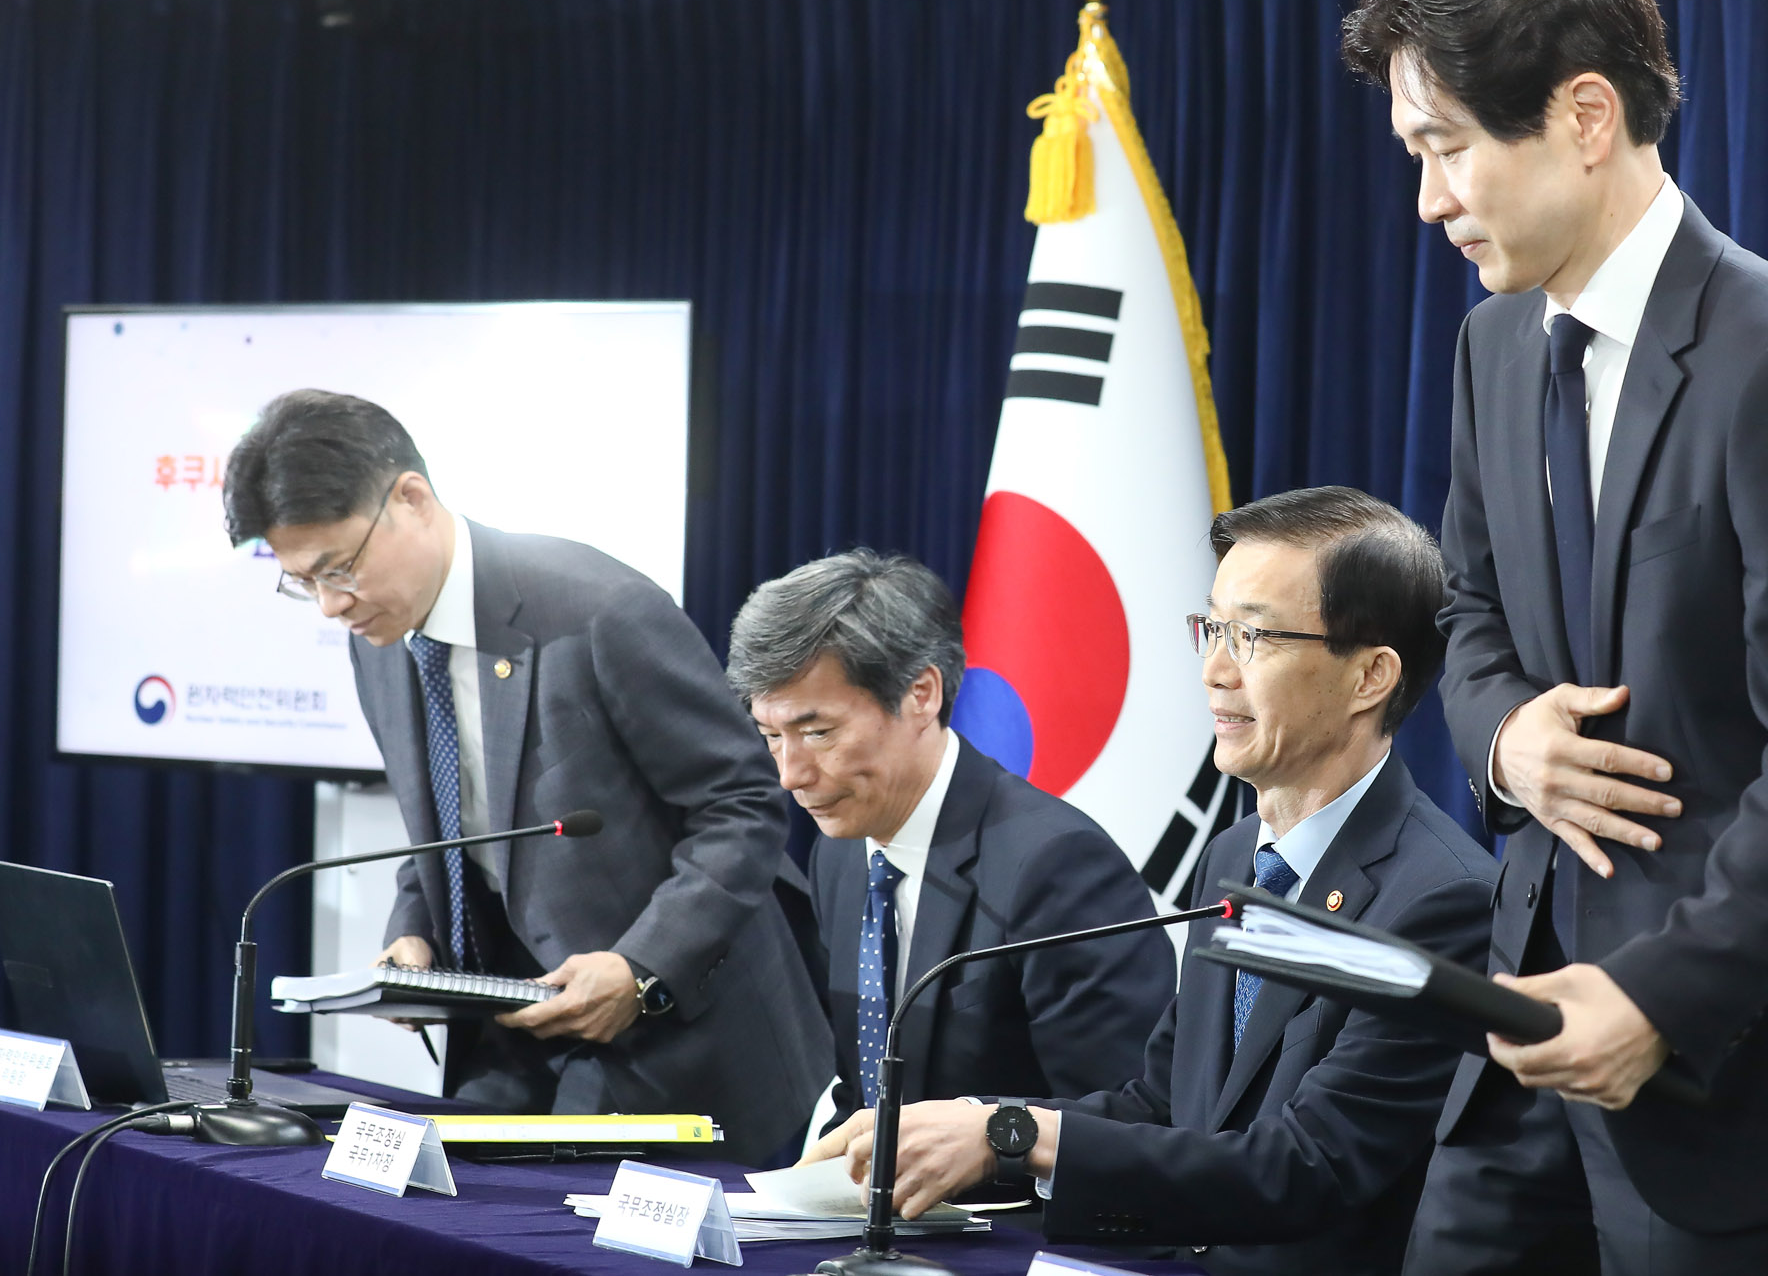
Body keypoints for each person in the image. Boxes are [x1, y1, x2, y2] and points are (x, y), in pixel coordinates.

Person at [1340, 0, 1768, 1273]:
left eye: (1446, 151)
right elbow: (1468, 613)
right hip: (1520, 1031)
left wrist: (1658, 996)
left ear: (1584, 116)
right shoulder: (1491, 344)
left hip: (1719, 1055)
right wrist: (1503, 733)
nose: (1429, 199)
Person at [805, 489, 1496, 1276]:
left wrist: (1019, 1135)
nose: (1214, 670)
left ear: (1371, 674)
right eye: (1213, 628)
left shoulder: (1442, 901)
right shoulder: (1235, 855)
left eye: (1255, 636)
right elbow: (1161, 1105)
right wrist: (982, 1122)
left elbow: (1305, 1167)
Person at [221, 389, 833, 1163]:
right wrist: (412, 931)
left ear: (410, 497)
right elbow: (441, 819)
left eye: (338, 569)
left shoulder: (598, 608)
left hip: (683, 1042)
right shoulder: (377, 640)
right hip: (515, 1039)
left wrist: (640, 969)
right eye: (302, 581)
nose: (329, 606)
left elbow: (742, 805)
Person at [725, 550, 1176, 1130]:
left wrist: (976, 1137)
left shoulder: (1055, 866)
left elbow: (1135, 1118)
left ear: (921, 695)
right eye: (771, 736)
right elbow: (866, 1088)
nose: (790, 775)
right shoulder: (839, 851)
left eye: (818, 733)